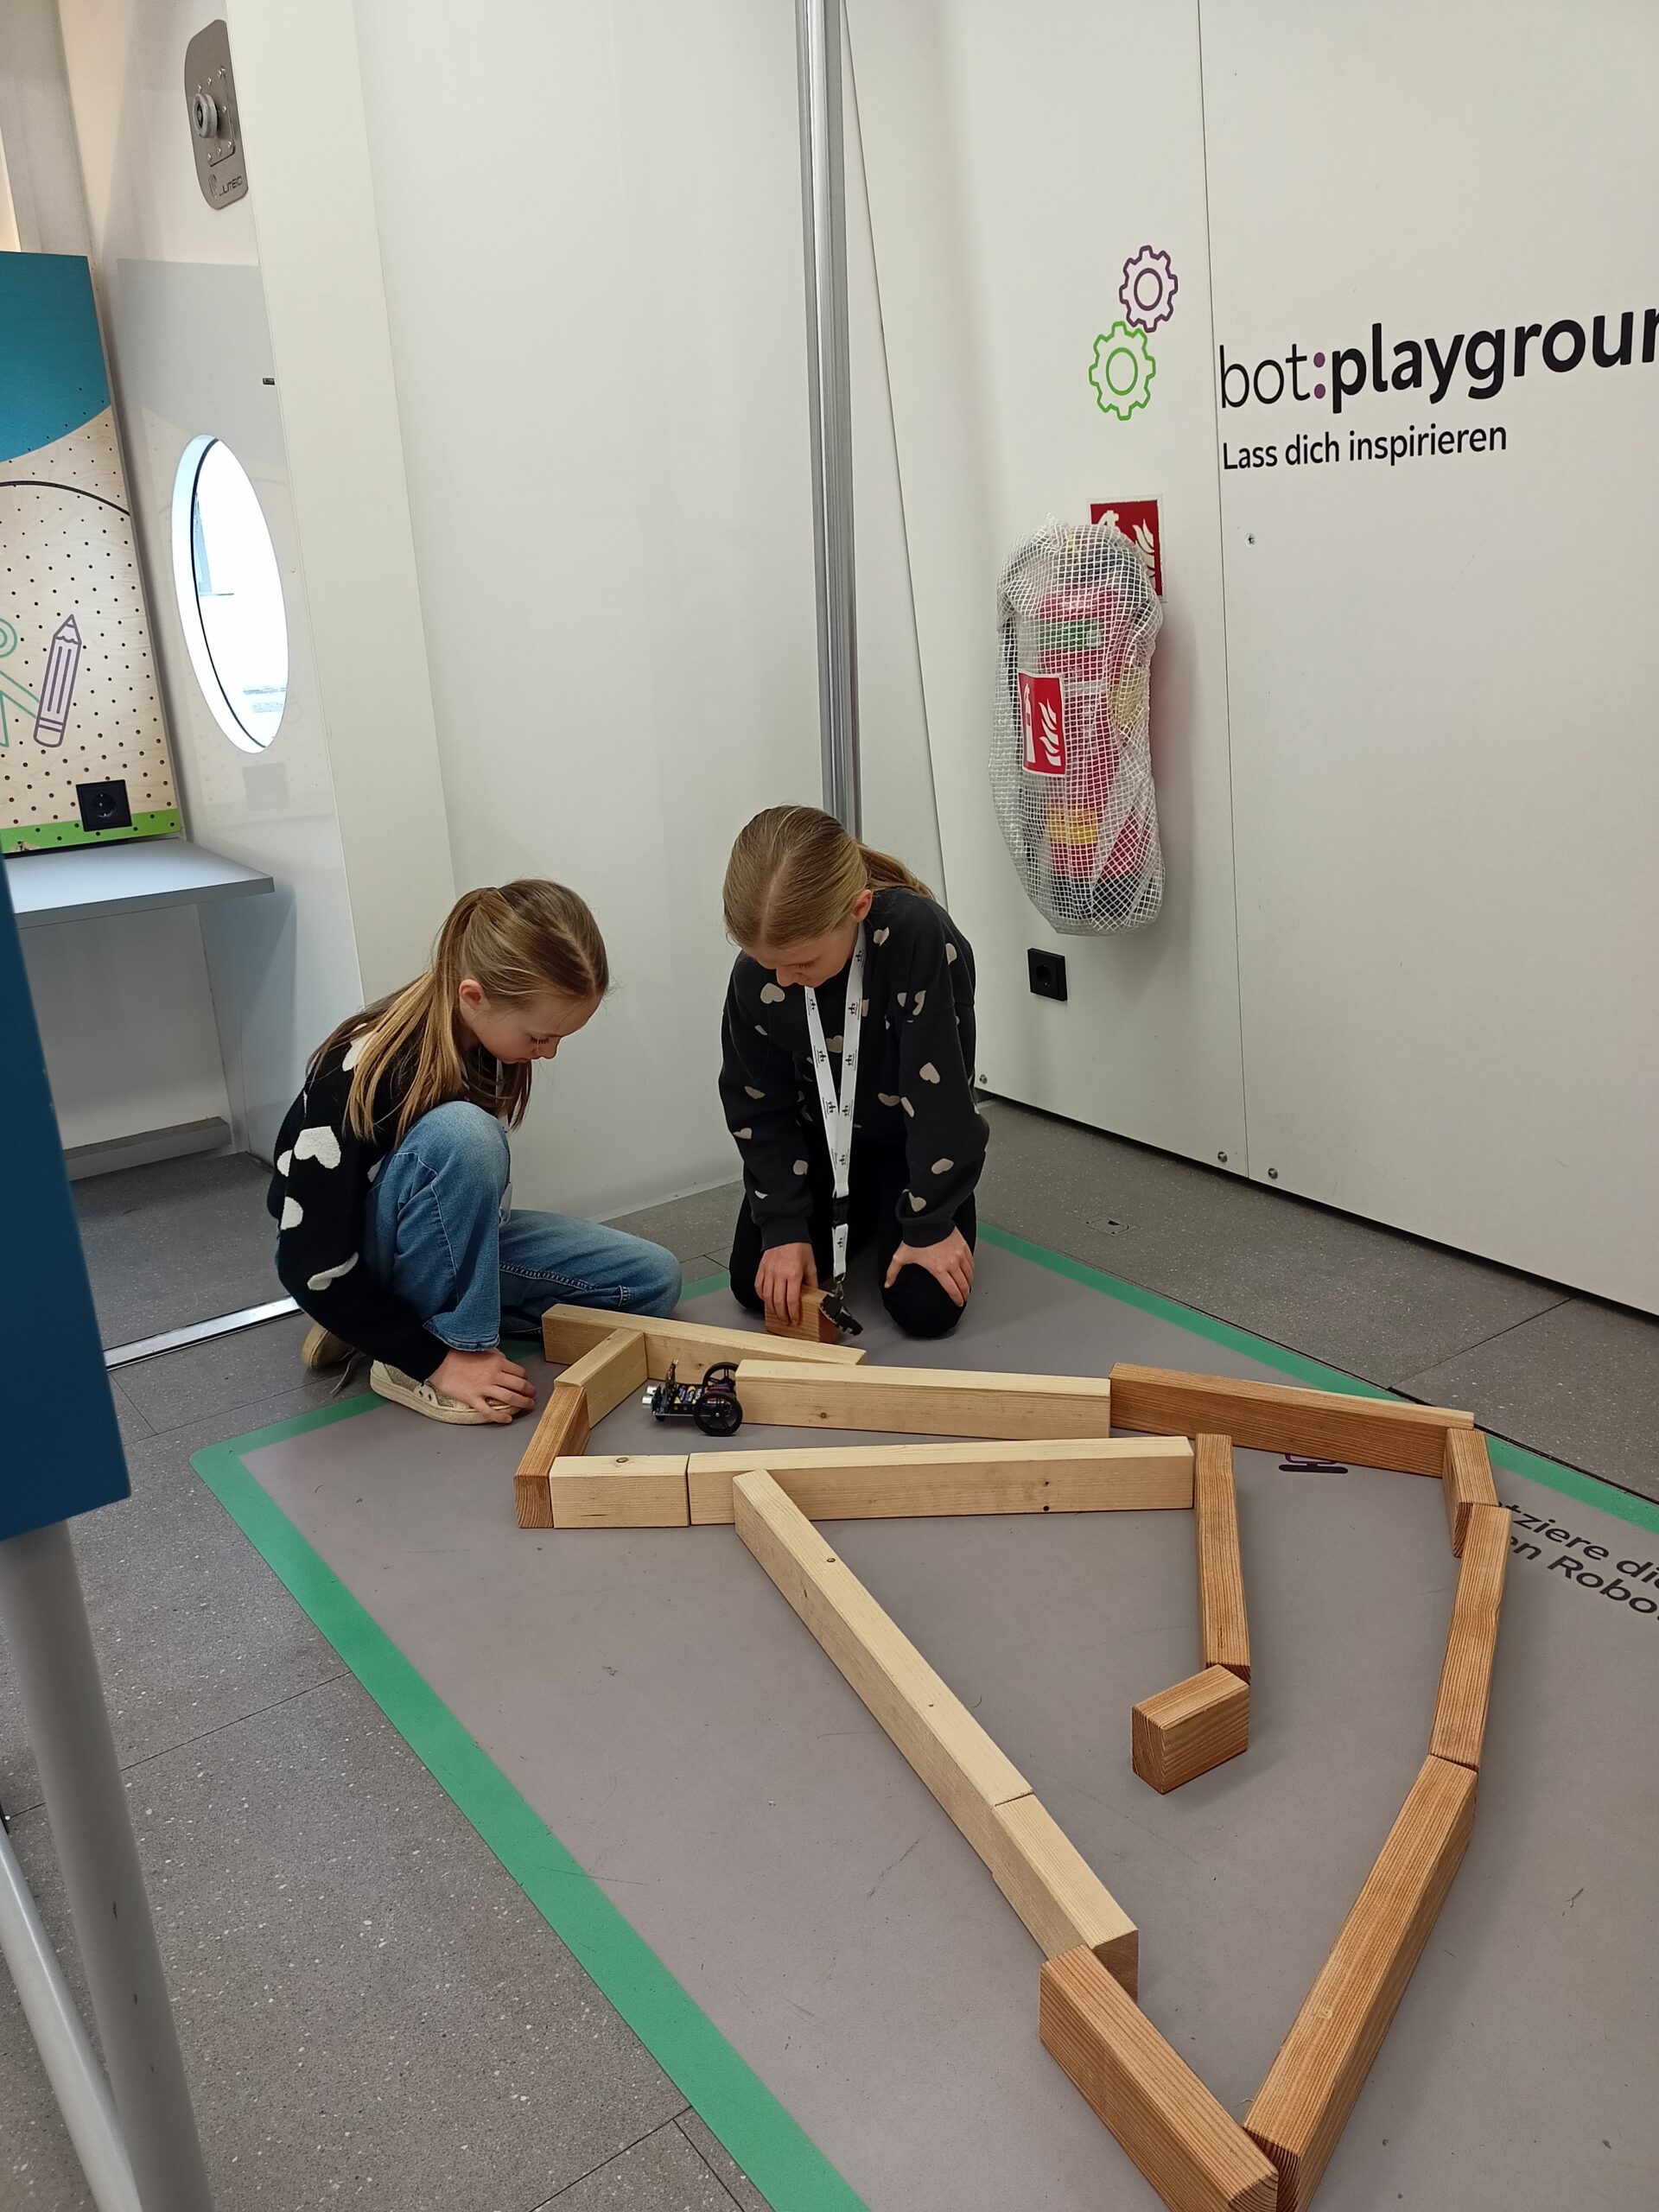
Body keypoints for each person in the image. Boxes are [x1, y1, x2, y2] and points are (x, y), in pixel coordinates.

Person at [270, 881, 680, 1426]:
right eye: (539, 1038)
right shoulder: (362, 1070)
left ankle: (376, 1322)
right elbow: (305, 1262)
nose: (549, 1053)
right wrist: (436, 1362)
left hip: (435, 1247)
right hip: (342, 1255)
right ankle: (425, 1351)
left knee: (651, 1281)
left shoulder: (483, 1042)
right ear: (473, 997)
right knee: (465, 1134)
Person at [719, 804, 987, 1339]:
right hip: (821, 1141)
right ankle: (856, 1212)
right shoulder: (760, 974)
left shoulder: (917, 936)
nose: (784, 979)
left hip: (913, 1145)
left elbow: (943, 1099)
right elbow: (757, 1105)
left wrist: (931, 1222)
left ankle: (887, 1213)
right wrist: (783, 1224)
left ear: (858, 909)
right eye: (767, 962)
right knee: (755, 1285)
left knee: (926, 1309)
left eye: (803, 963)